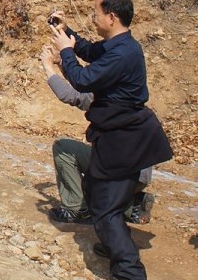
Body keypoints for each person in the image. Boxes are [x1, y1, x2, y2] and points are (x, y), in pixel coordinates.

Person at [50, 0, 173, 280]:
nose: (93, 18)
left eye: (95, 13)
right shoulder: (118, 45)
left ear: (111, 17)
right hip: (116, 135)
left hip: (125, 140)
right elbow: (90, 51)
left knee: (105, 207)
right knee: (95, 189)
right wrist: (68, 34)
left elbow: (81, 78)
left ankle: (131, 275)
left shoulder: (123, 53)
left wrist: (65, 52)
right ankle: (111, 242)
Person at [39, 45, 155, 225]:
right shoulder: (129, 90)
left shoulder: (105, 94)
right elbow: (82, 86)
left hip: (117, 172)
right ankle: (133, 204)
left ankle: (77, 210)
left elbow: (71, 94)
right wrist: (62, 62)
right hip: (138, 175)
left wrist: (48, 66)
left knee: (64, 149)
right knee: (102, 182)